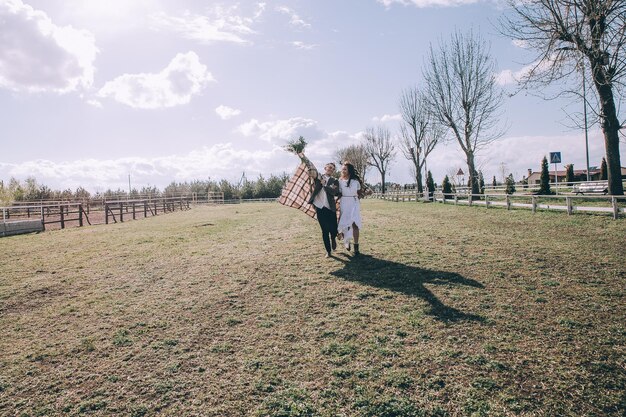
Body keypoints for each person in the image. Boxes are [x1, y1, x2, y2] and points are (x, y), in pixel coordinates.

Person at [337, 162, 370, 256]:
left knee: (355, 224)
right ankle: (346, 241)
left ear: (349, 171)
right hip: (344, 202)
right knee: (345, 224)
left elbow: (360, 192)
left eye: (345, 169)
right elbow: (338, 192)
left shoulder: (356, 181)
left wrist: (364, 193)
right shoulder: (339, 181)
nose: (342, 171)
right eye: (342, 169)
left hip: (354, 203)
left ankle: (356, 246)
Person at [308, 162, 340, 258]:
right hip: (320, 207)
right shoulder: (318, 177)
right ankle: (328, 251)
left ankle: (333, 237)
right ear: (325, 168)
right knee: (324, 230)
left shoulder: (335, 181)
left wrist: (325, 185)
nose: (330, 169)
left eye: (332, 168)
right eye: (329, 167)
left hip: (330, 207)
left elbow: (334, 191)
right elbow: (311, 171)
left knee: (333, 229)